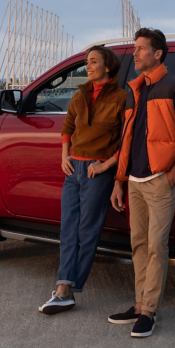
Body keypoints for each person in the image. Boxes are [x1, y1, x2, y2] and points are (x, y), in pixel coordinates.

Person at [108, 28, 175, 337]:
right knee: (137, 244)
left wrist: (174, 172)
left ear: (157, 54)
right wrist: (119, 181)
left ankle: (149, 311)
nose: (134, 54)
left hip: (161, 180)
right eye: (134, 49)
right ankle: (138, 305)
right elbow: (126, 141)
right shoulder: (134, 90)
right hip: (134, 181)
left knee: (155, 246)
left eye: (140, 49)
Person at [39, 45, 127, 315]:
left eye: (92, 62)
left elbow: (127, 140)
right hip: (73, 168)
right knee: (68, 230)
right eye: (86, 63)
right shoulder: (80, 94)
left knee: (86, 231)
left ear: (107, 66)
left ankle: (66, 290)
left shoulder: (122, 97)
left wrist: (107, 166)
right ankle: (64, 288)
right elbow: (67, 127)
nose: (87, 67)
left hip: (96, 171)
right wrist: (65, 156)